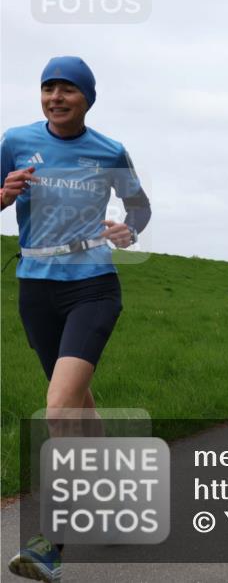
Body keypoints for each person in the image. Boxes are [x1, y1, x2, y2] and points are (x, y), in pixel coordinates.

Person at [2, 56, 151, 583]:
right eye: (48, 88)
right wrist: (4, 195)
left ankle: (51, 543)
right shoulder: (14, 141)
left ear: (87, 97)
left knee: (60, 406)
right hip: (35, 289)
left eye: (67, 89)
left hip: (92, 286)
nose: (56, 97)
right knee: (77, 406)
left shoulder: (109, 151)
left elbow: (139, 207)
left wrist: (128, 230)